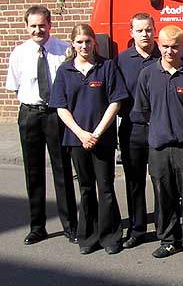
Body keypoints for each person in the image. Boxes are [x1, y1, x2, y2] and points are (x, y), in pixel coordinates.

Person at [50, 24, 127, 255]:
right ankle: (88, 236)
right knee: (85, 188)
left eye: (88, 41)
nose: (84, 46)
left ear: (95, 42)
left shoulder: (107, 67)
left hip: (102, 139)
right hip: (76, 140)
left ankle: (110, 236)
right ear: (73, 44)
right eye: (80, 42)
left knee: (105, 187)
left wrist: (97, 133)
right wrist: (81, 133)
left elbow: (116, 101)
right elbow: (61, 107)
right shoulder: (65, 71)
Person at [134, 25, 183, 261]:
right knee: (162, 194)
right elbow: (144, 110)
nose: (169, 51)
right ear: (159, 44)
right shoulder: (147, 74)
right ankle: (168, 240)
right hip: (159, 145)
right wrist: (161, 126)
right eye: (165, 46)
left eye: (175, 46)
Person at [6, 5, 78, 245]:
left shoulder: (64, 50)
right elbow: (16, 87)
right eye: (33, 26)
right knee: (33, 172)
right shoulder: (19, 53)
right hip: (30, 115)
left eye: (42, 25)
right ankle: (37, 226)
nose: (38, 30)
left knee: (62, 170)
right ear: (27, 27)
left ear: (50, 25)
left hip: (55, 116)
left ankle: (70, 225)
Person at [115, 13, 161, 249]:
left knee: (160, 181)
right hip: (132, 129)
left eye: (148, 30)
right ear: (131, 33)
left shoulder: (163, 57)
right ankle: (137, 228)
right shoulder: (122, 61)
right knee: (134, 182)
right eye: (140, 30)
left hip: (158, 129)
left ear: (155, 30)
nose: (145, 34)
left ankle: (164, 228)